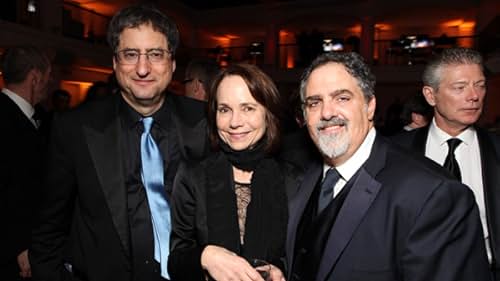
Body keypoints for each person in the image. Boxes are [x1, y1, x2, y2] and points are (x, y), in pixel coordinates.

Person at [30, 4, 208, 281]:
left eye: (155, 54)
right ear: (114, 63)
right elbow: (48, 230)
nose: (142, 68)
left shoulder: (206, 123)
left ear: (172, 63)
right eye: (130, 54)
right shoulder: (75, 128)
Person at [286, 52, 491, 281]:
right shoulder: (301, 178)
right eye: (314, 103)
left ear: (370, 105)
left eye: (342, 98)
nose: (327, 112)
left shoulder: (434, 194)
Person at [168, 63, 301, 281]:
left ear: (268, 113)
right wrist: (205, 256)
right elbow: (176, 261)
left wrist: (281, 272)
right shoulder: (192, 176)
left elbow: (305, 258)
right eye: (224, 110)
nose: (235, 122)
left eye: (248, 108)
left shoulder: (295, 180)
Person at [392, 47, 500, 280]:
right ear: (431, 95)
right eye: (460, 87)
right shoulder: (395, 153)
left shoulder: (497, 150)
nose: (474, 96)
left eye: (480, 85)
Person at [0, 46, 51, 280]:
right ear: (35, 77)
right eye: (47, 78)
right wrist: (18, 244)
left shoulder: (40, 117)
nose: (49, 86)